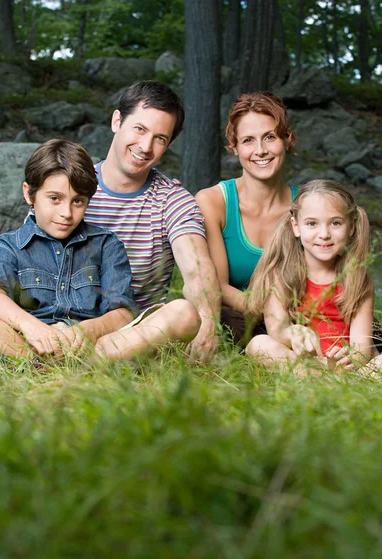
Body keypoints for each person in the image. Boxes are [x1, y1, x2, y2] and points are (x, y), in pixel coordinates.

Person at [83, 80, 220, 361]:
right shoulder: (71, 185)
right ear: (116, 121)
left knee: (183, 313)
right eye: (140, 129)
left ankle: (90, 358)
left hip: (132, 334)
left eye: (160, 138)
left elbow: (197, 270)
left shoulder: (174, 201)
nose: (146, 147)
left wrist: (207, 323)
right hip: (63, 318)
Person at [0, 139, 137, 358]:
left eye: (78, 201)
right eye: (55, 198)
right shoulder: (8, 246)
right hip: (27, 342)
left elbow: (123, 313)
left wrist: (86, 331)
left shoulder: (107, 245)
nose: (66, 212)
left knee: (180, 313)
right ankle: (34, 362)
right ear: (29, 194)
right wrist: (34, 328)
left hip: (89, 345)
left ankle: (76, 363)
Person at [196, 91, 298, 345]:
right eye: (248, 141)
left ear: (287, 139)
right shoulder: (213, 201)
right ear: (234, 147)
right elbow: (216, 285)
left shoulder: (305, 206)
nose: (260, 150)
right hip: (237, 317)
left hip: (295, 317)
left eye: (270, 137)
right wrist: (272, 315)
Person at [245, 180, 374, 371]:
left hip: (344, 366)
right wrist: (295, 334)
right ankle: (314, 376)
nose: (324, 234)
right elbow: (277, 329)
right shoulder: (280, 274)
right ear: (296, 227)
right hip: (302, 360)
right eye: (312, 223)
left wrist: (350, 358)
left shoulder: (357, 279)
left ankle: (334, 379)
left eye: (336, 223)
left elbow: (361, 347)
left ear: (352, 227)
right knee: (258, 345)